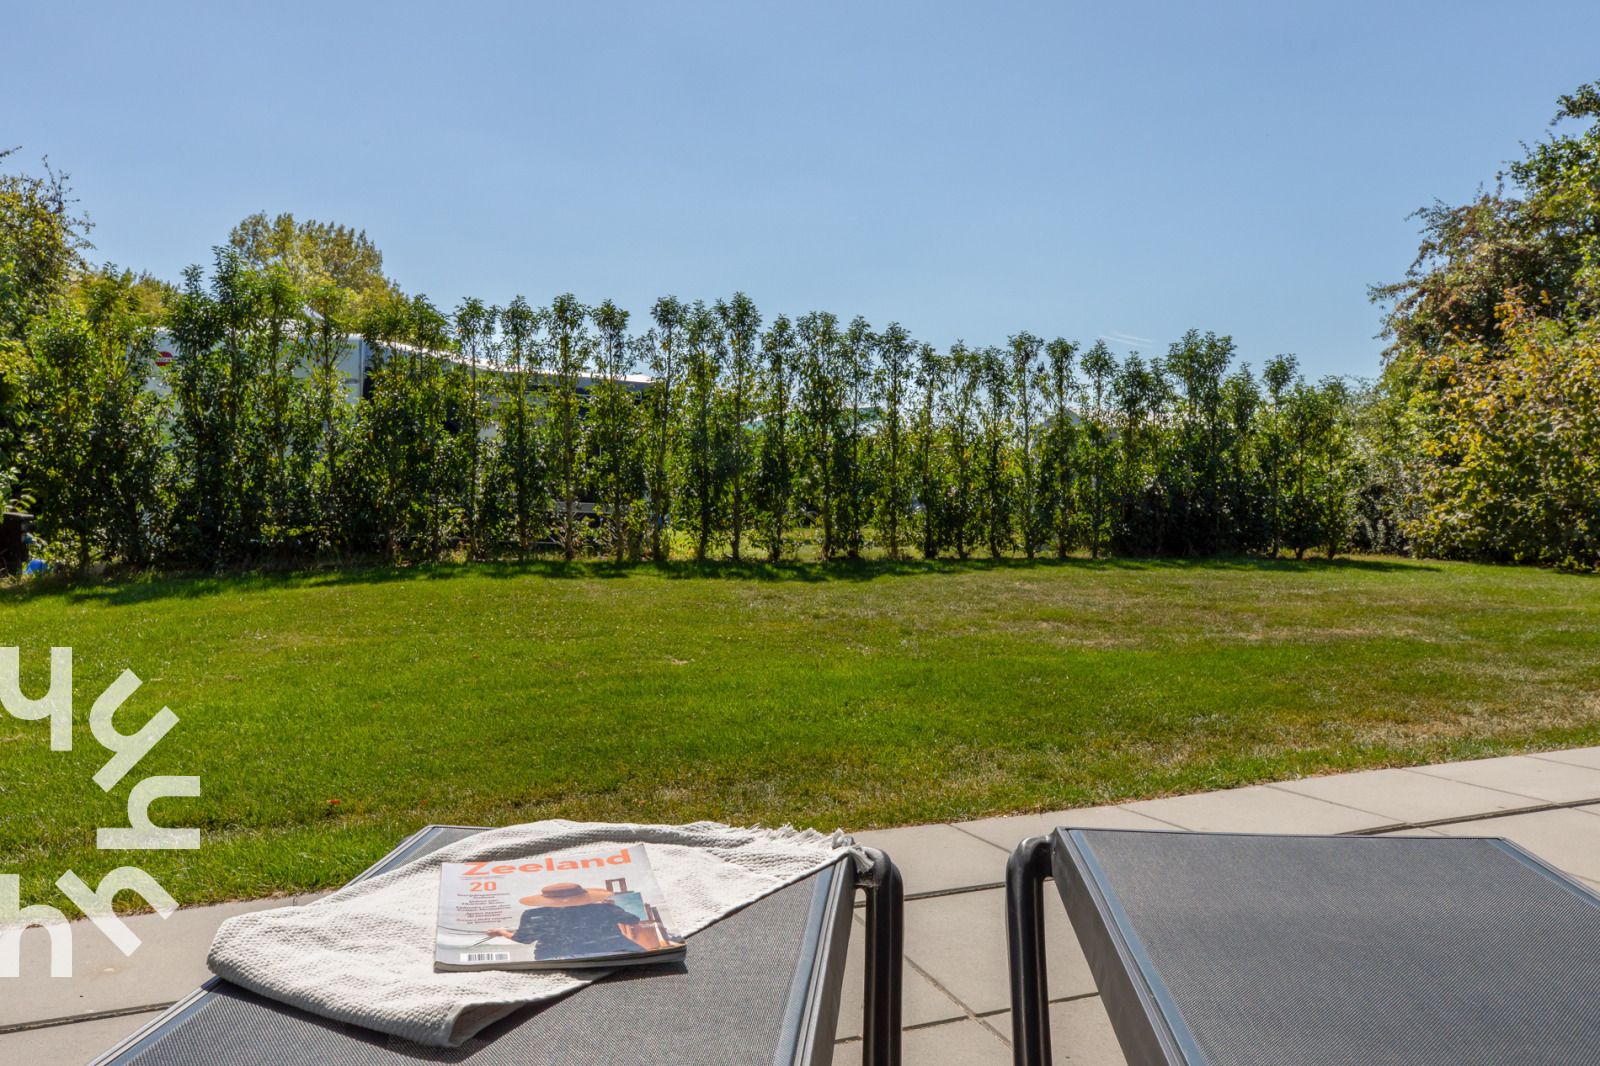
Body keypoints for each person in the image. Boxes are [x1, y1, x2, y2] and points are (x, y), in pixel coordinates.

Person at [485, 881, 647, 961]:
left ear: (547, 899)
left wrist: (501, 932)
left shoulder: (532, 915)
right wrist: (612, 908)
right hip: (612, 953)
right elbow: (633, 920)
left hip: (556, 958)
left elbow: (523, 939)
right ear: (583, 896)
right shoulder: (605, 908)